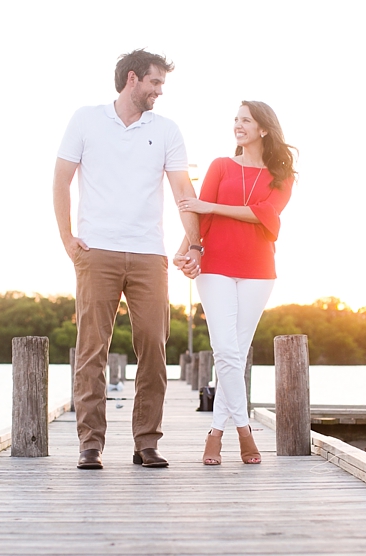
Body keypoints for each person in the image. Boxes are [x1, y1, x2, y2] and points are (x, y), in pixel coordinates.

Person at [54, 49, 202, 470]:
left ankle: (146, 442)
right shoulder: (85, 119)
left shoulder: (167, 130)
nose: (159, 91)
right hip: (95, 251)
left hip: (148, 253)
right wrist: (67, 238)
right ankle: (90, 444)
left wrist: (195, 243)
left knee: (154, 345)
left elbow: (183, 191)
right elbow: (61, 179)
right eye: (155, 83)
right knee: (91, 349)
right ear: (132, 79)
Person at [174, 101, 296, 465]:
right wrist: (187, 251)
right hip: (215, 267)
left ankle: (215, 433)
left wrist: (211, 207)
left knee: (235, 354)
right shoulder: (220, 166)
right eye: (236, 120)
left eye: (246, 120)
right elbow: (197, 210)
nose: (238, 125)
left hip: (259, 270)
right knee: (226, 350)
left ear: (263, 129)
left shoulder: (282, 176)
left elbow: (265, 215)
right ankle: (243, 433)